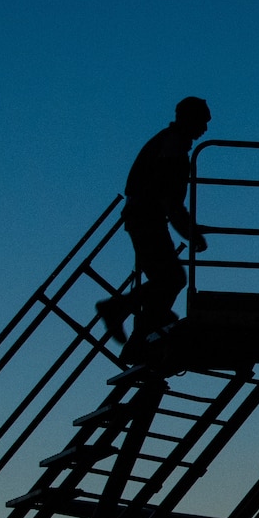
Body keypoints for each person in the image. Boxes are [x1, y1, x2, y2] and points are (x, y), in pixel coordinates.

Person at [97, 96, 212, 346]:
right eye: (202, 121)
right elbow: (169, 198)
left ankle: (143, 326)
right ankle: (126, 317)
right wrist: (191, 232)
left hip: (144, 218)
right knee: (171, 279)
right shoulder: (172, 149)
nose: (205, 128)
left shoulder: (169, 144)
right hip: (146, 219)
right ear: (188, 119)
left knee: (167, 280)